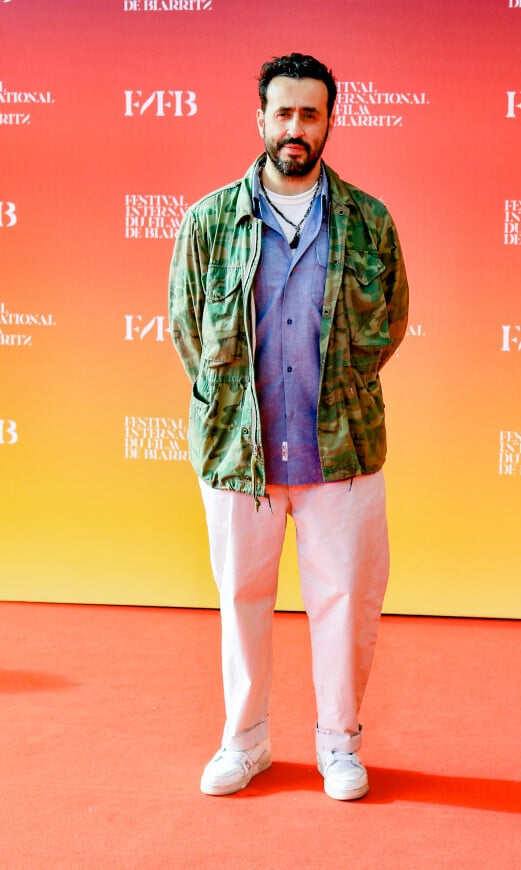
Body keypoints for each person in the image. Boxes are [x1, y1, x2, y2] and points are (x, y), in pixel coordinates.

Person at [169, 53, 409, 801]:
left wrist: (339, 390)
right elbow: (185, 329)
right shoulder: (210, 220)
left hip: (341, 450)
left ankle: (340, 745)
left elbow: (391, 323)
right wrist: (231, 404)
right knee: (241, 600)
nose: (295, 128)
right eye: (283, 113)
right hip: (239, 452)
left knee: (344, 605)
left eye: (310, 114)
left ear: (330, 121)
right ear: (261, 119)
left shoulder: (369, 219)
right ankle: (246, 744)